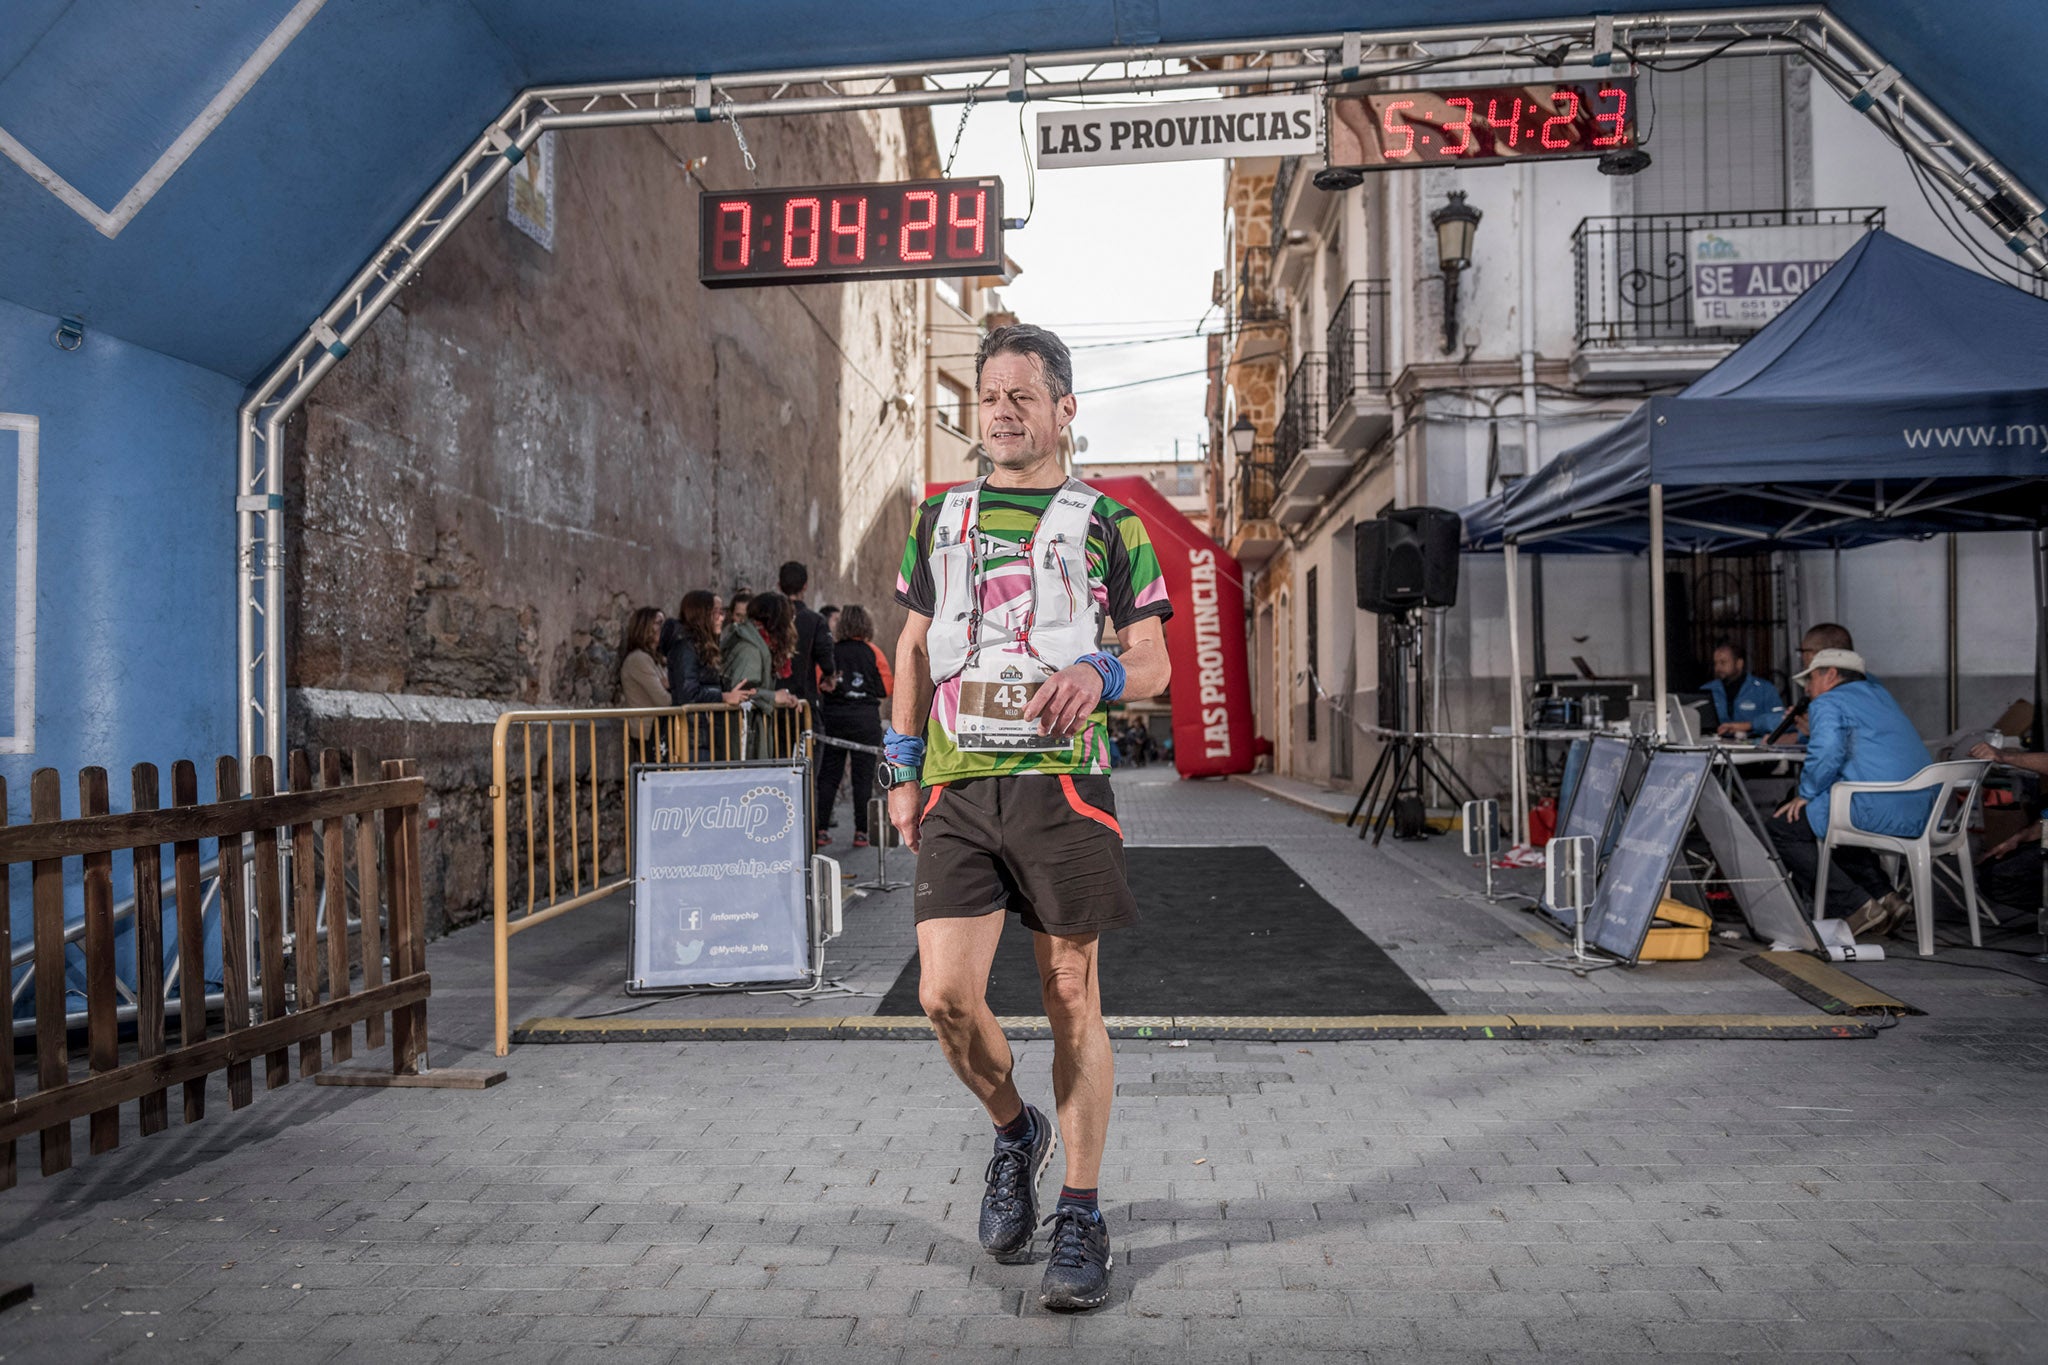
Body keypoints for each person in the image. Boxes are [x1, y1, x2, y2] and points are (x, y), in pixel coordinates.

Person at [885, 323, 1172, 1312]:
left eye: (1022, 396)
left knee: (1068, 993)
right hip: (959, 788)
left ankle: (1081, 1213)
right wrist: (898, 764)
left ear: (1062, 410)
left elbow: (1153, 662)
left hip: (1065, 786)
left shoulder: (1109, 521)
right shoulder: (939, 515)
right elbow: (912, 646)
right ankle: (1016, 1131)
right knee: (942, 998)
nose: (1001, 412)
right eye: (989, 396)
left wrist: (1097, 669)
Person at [1767, 648, 1933, 934]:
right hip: (1921, 807)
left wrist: (1804, 793)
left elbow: (1829, 752)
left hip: (1876, 805)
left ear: (1830, 675)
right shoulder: (1881, 696)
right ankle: (1886, 898)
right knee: (1824, 825)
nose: (1807, 688)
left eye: (1810, 679)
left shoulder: (1829, 701)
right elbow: (1862, 741)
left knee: (1784, 826)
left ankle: (1855, 907)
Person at [815, 604, 888, 848]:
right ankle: (861, 832)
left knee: (828, 776)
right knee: (863, 777)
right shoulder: (873, 652)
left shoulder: (831, 652)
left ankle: (821, 830)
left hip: (834, 720)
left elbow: (819, 682)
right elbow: (886, 688)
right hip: (865, 721)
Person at [668, 590, 756, 759]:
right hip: (693, 737)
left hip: (705, 734)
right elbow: (688, 693)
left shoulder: (703, 646)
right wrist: (724, 696)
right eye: (716, 612)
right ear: (701, 614)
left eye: (722, 612)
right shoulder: (686, 647)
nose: (722, 618)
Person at [721, 590, 800, 756]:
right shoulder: (750, 650)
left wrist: (782, 697)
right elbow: (742, 692)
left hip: (749, 736)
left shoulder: (758, 645)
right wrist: (774, 697)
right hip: (742, 741)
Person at [778, 560, 839, 710]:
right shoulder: (815, 620)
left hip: (775, 697)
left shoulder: (771, 618)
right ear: (805, 586)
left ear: (779, 585)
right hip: (803, 698)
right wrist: (830, 675)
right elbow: (825, 658)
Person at [1704, 638, 1784, 737]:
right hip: (1715, 745)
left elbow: (1780, 720)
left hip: (1755, 746)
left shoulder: (1764, 689)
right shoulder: (1707, 690)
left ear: (1739, 663)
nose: (1717, 668)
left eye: (1723, 662)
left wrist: (1751, 725)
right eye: (1715, 663)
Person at [616, 606, 669, 753]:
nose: (663, 628)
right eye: (658, 623)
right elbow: (664, 700)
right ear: (644, 627)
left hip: (659, 730)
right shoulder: (639, 659)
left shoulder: (657, 659)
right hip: (649, 732)